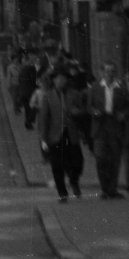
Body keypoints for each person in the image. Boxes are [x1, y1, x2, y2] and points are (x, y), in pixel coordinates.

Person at [38, 69, 84, 201]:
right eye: (58, 78)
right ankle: (62, 193)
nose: (61, 81)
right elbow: (44, 118)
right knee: (57, 165)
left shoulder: (74, 94)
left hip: (71, 134)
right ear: (53, 80)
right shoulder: (48, 96)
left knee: (77, 162)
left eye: (63, 79)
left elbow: (83, 111)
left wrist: (78, 112)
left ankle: (74, 180)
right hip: (55, 134)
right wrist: (43, 138)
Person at [88, 62, 129, 199]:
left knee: (115, 159)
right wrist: (94, 112)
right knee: (100, 158)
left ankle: (112, 189)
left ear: (115, 73)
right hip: (100, 125)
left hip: (115, 125)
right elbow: (89, 106)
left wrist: (123, 114)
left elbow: (128, 108)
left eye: (112, 71)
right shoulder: (95, 88)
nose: (110, 74)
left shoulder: (121, 89)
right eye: (107, 71)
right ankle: (104, 188)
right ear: (102, 73)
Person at [17, 53, 39, 130]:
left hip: (23, 92)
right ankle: (29, 121)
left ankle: (28, 123)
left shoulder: (23, 69)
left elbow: (19, 79)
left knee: (27, 109)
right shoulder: (32, 69)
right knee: (33, 107)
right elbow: (34, 81)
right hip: (30, 92)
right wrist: (38, 87)